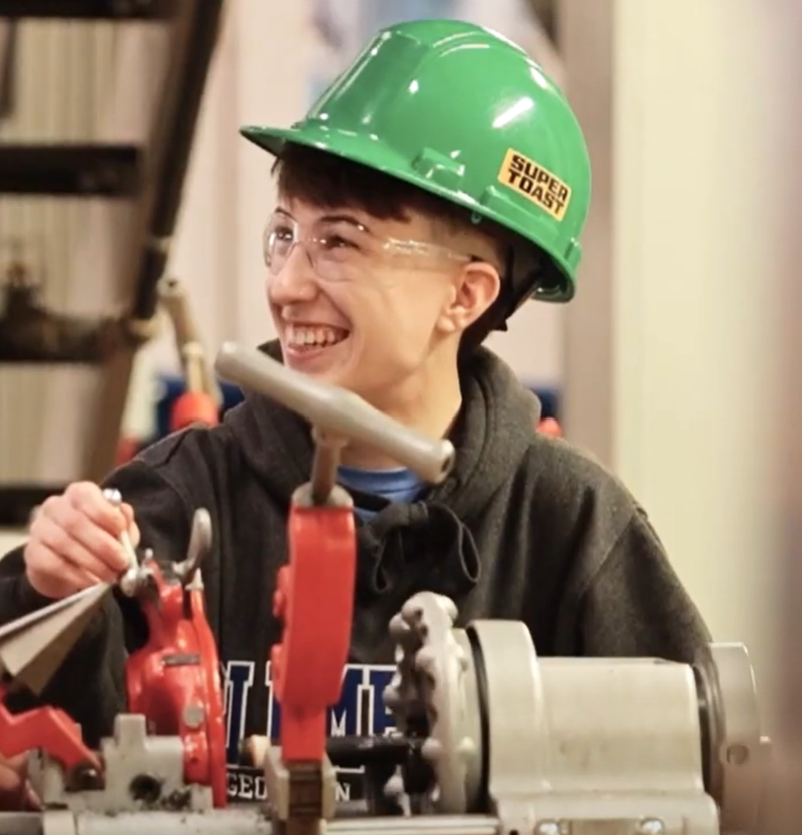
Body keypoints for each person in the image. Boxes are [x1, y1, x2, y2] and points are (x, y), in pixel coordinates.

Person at [0, 18, 709, 805]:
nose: (286, 284)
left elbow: (692, 772)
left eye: (339, 241)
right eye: (284, 233)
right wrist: (45, 582)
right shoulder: (180, 497)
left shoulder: (572, 529)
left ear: (465, 294)